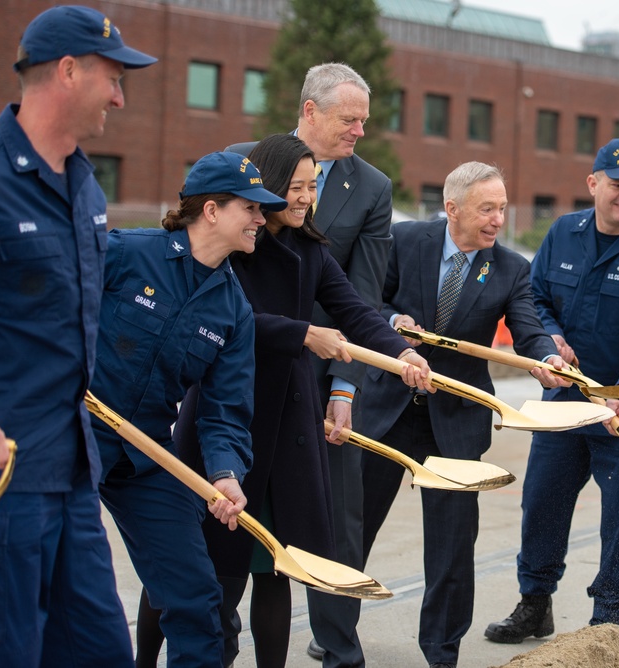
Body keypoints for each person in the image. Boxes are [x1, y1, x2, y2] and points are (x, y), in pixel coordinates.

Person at [172, 134, 432, 668]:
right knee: (214, 571)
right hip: (227, 419)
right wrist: (303, 334)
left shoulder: (310, 249)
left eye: (313, 186)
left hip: (289, 425)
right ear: (265, 187)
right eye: (295, 186)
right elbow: (229, 319)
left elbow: (356, 311)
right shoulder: (236, 242)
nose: (306, 197)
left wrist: (403, 354)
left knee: (276, 566)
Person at [0, 6, 156, 665]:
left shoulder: (86, 186)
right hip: (0, 482)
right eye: (113, 77)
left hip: (73, 471)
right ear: (67, 70)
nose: (119, 95)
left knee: (101, 649)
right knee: (7, 649)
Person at [359, 161, 571, 668]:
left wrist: (545, 359)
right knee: (354, 526)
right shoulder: (404, 240)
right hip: (386, 409)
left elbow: (529, 330)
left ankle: (442, 651)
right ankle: (335, 629)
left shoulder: (510, 269)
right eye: (487, 208)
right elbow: (367, 300)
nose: (498, 219)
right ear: (452, 208)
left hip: (455, 421)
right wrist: (392, 323)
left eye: (501, 208)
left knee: (453, 546)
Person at [91, 151, 287, 668]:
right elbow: (44, 307)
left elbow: (225, 410)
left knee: (199, 599)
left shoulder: (233, 309)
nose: (261, 220)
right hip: (74, 436)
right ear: (212, 210)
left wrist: (225, 474)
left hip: (146, 455)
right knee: (67, 581)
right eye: (251, 208)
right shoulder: (126, 253)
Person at [485, 139, 619, 644]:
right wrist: (547, 334)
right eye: (618, 185)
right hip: (565, 404)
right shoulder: (563, 233)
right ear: (593, 184)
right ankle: (535, 603)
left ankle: (611, 626)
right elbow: (535, 297)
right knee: (542, 503)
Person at [228, 61, 393, 667]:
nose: (359, 132)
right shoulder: (240, 163)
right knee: (226, 552)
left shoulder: (371, 188)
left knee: (326, 528)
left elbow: (361, 297)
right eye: (349, 119)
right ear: (310, 112)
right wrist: (303, 335)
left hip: (321, 382)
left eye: (364, 122)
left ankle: (338, 647)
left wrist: (364, 379)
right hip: (240, 384)